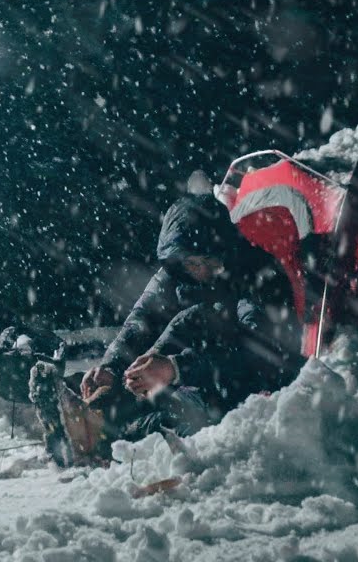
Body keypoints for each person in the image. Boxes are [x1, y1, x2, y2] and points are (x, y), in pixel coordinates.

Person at [30, 194, 305, 466]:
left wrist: (175, 367)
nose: (201, 271)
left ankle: (103, 434)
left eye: (209, 262)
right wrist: (111, 366)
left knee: (189, 409)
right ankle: (85, 415)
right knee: (141, 378)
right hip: (197, 374)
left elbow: (263, 353)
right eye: (192, 263)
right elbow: (140, 321)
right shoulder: (174, 274)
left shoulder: (258, 275)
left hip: (252, 385)